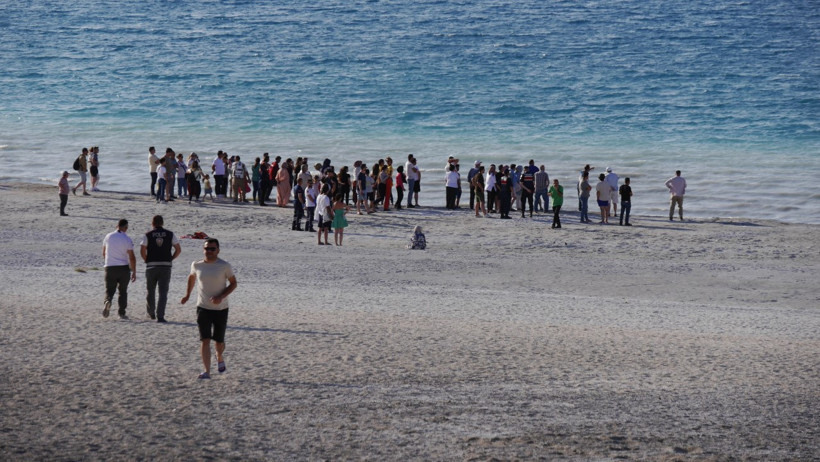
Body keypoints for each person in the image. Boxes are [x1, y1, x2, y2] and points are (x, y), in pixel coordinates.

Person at [180, 238, 237, 380]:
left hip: (221, 309)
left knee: (218, 342)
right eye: (207, 249)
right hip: (203, 307)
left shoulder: (224, 266)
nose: (209, 252)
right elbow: (192, 278)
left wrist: (221, 297)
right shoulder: (197, 265)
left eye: (212, 249)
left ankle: (219, 355)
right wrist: (187, 295)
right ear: (203, 250)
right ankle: (207, 371)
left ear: (218, 250)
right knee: (205, 339)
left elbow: (233, 284)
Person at [140, 215, 181, 322]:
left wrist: (146, 260)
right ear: (162, 223)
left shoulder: (148, 235)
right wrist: (171, 258)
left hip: (151, 266)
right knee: (163, 292)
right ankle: (161, 316)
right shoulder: (170, 234)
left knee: (150, 290)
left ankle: (151, 313)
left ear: (152, 223)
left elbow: (142, 249)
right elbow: (178, 249)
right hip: (165, 266)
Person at [102, 219, 137, 319]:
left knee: (109, 289)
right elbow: (132, 257)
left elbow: (104, 253)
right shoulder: (127, 239)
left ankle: (107, 301)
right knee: (122, 291)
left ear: (117, 226)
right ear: (125, 228)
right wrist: (134, 271)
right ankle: (121, 313)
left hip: (110, 267)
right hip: (123, 268)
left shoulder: (108, 236)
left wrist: (108, 262)